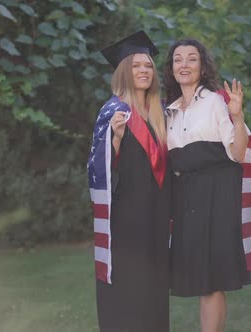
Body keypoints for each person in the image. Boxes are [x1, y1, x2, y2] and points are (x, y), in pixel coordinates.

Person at [163, 38, 251, 332]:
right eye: (178, 59)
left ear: (202, 66)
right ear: (171, 68)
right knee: (201, 277)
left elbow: (238, 153)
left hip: (218, 194)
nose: (184, 64)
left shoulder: (218, 101)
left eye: (191, 59)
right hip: (187, 196)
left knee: (213, 277)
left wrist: (237, 115)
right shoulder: (169, 110)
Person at [87, 31, 171, 332]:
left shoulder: (161, 112)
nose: (144, 71)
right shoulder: (113, 111)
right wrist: (117, 139)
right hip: (127, 213)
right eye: (136, 66)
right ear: (125, 71)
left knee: (155, 282)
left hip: (158, 211)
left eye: (148, 66)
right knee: (130, 281)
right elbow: (96, 169)